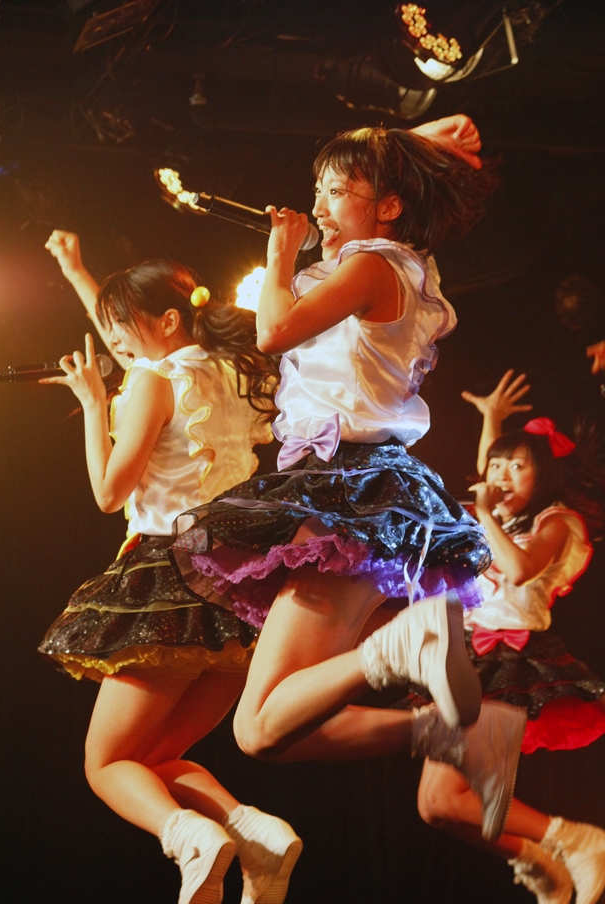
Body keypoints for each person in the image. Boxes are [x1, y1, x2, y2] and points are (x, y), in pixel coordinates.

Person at [170, 116, 526, 843]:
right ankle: (451, 731)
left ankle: (409, 651)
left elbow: (273, 331)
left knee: (259, 727)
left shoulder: (374, 264)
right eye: (318, 191)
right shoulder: (398, 268)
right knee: (265, 732)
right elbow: (292, 315)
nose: (319, 206)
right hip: (363, 490)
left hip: (345, 489)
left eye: (336, 191)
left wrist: (277, 255)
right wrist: (405, 145)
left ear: (388, 205)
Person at [38, 240, 302, 904]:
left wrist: (93, 404)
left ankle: (190, 838)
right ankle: (252, 831)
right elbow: (134, 343)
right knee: (153, 760)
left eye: (122, 325)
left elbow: (108, 493)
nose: (114, 341)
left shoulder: (151, 380)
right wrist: (76, 272)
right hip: (239, 592)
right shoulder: (232, 371)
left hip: (169, 582)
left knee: (105, 765)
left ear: (166, 321)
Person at [413, 370, 605, 904]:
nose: (498, 476)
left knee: (445, 799)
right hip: (470, 655)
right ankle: (541, 863)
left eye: (515, 467)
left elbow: (521, 569)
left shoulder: (558, 521)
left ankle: (575, 841)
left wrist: (484, 511)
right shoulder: (504, 518)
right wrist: (492, 420)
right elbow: (491, 477)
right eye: (496, 466)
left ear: (544, 475)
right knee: (437, 805)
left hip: (513, 659)